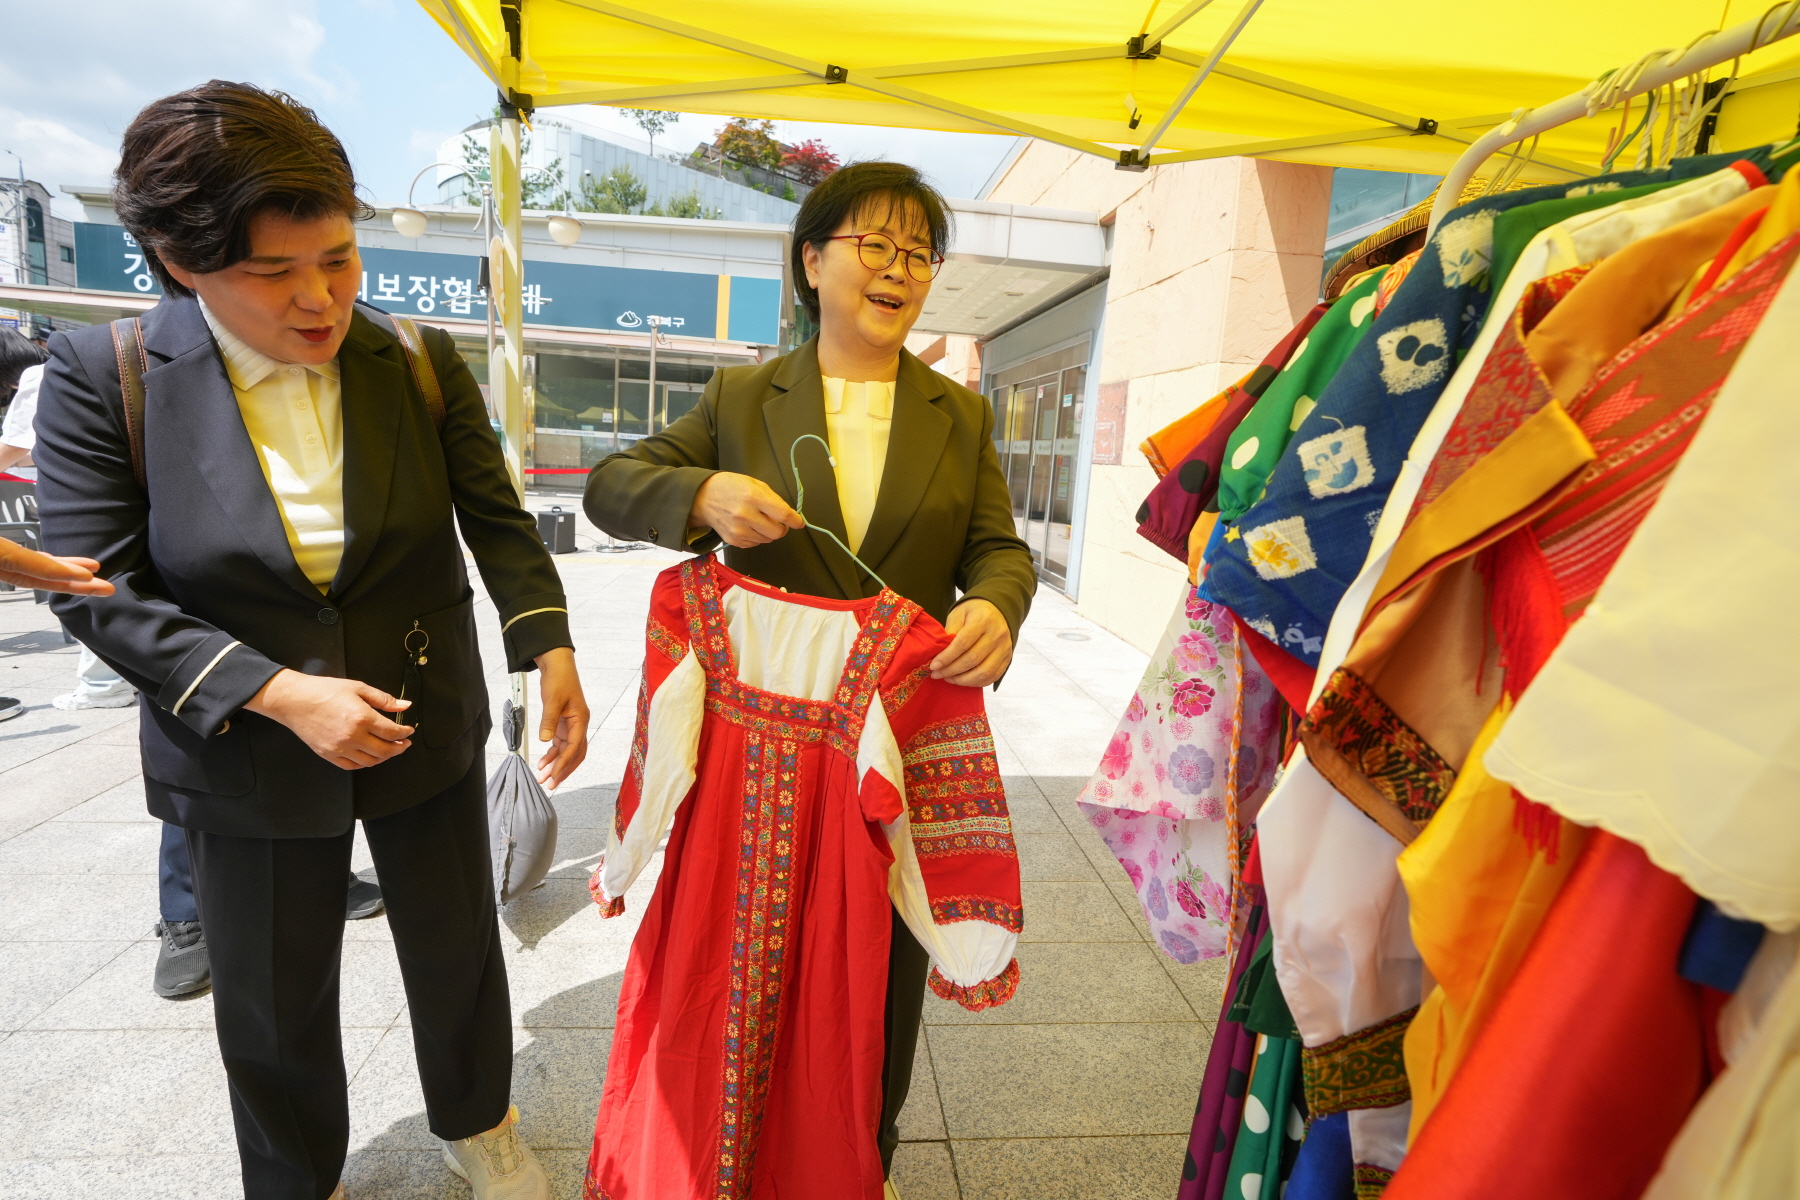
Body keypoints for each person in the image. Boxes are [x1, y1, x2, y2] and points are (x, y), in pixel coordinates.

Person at [35, 81, 589, 1200]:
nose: (319, 300)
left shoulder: (415, 360)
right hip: (242, 740)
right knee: (271, 991)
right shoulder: (112, 377)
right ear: (181, 262)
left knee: (456, 951)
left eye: (338, 258)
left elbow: (496, 518)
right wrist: (279, 692)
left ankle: (479, 1121)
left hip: (418, 713)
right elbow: (95, 590)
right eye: (274, 274)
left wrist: (548, 645)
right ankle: (296, 1177)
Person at [584, 161, 1036, 1194]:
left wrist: (995, 609)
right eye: (874, 245)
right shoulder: (746, 394)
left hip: (889, 764)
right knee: (733, 987)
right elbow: (616, 486)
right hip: (756, 767)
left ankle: (849, 1164)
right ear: (813, 261)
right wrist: (701, 494)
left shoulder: (957, 416)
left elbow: (999, 550)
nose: (898, 271)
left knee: (870, 1001)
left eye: (919, 253)